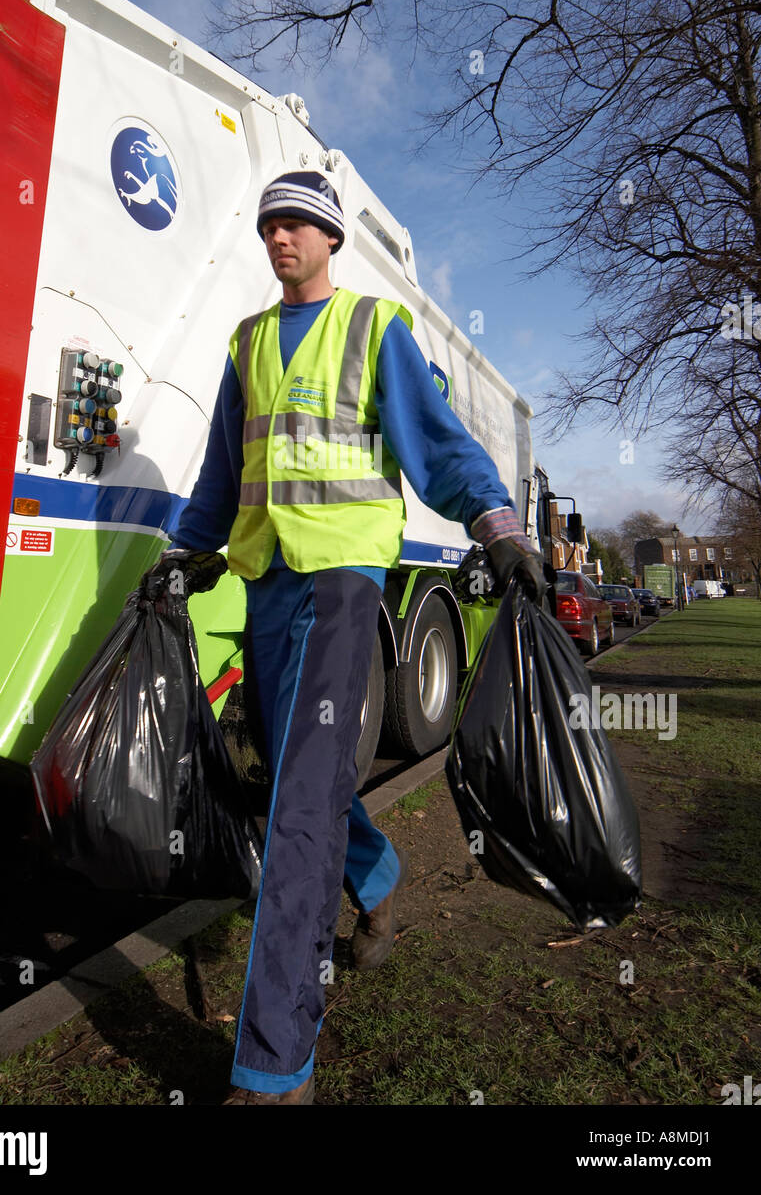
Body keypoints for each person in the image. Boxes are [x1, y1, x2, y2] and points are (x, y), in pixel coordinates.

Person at [155, 171, 545, 1104]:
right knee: (301, 770)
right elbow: (223, 465)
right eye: (267, 226)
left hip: (341, 585)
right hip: (266, 583)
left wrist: (496, 521)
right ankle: (378, 875)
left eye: (296, 224)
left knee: (295, 803)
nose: (278, 238)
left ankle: (274, 1058)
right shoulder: (247, 343)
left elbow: (434, 441)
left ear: (330, 238)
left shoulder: (373, 328)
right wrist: (187, 552)